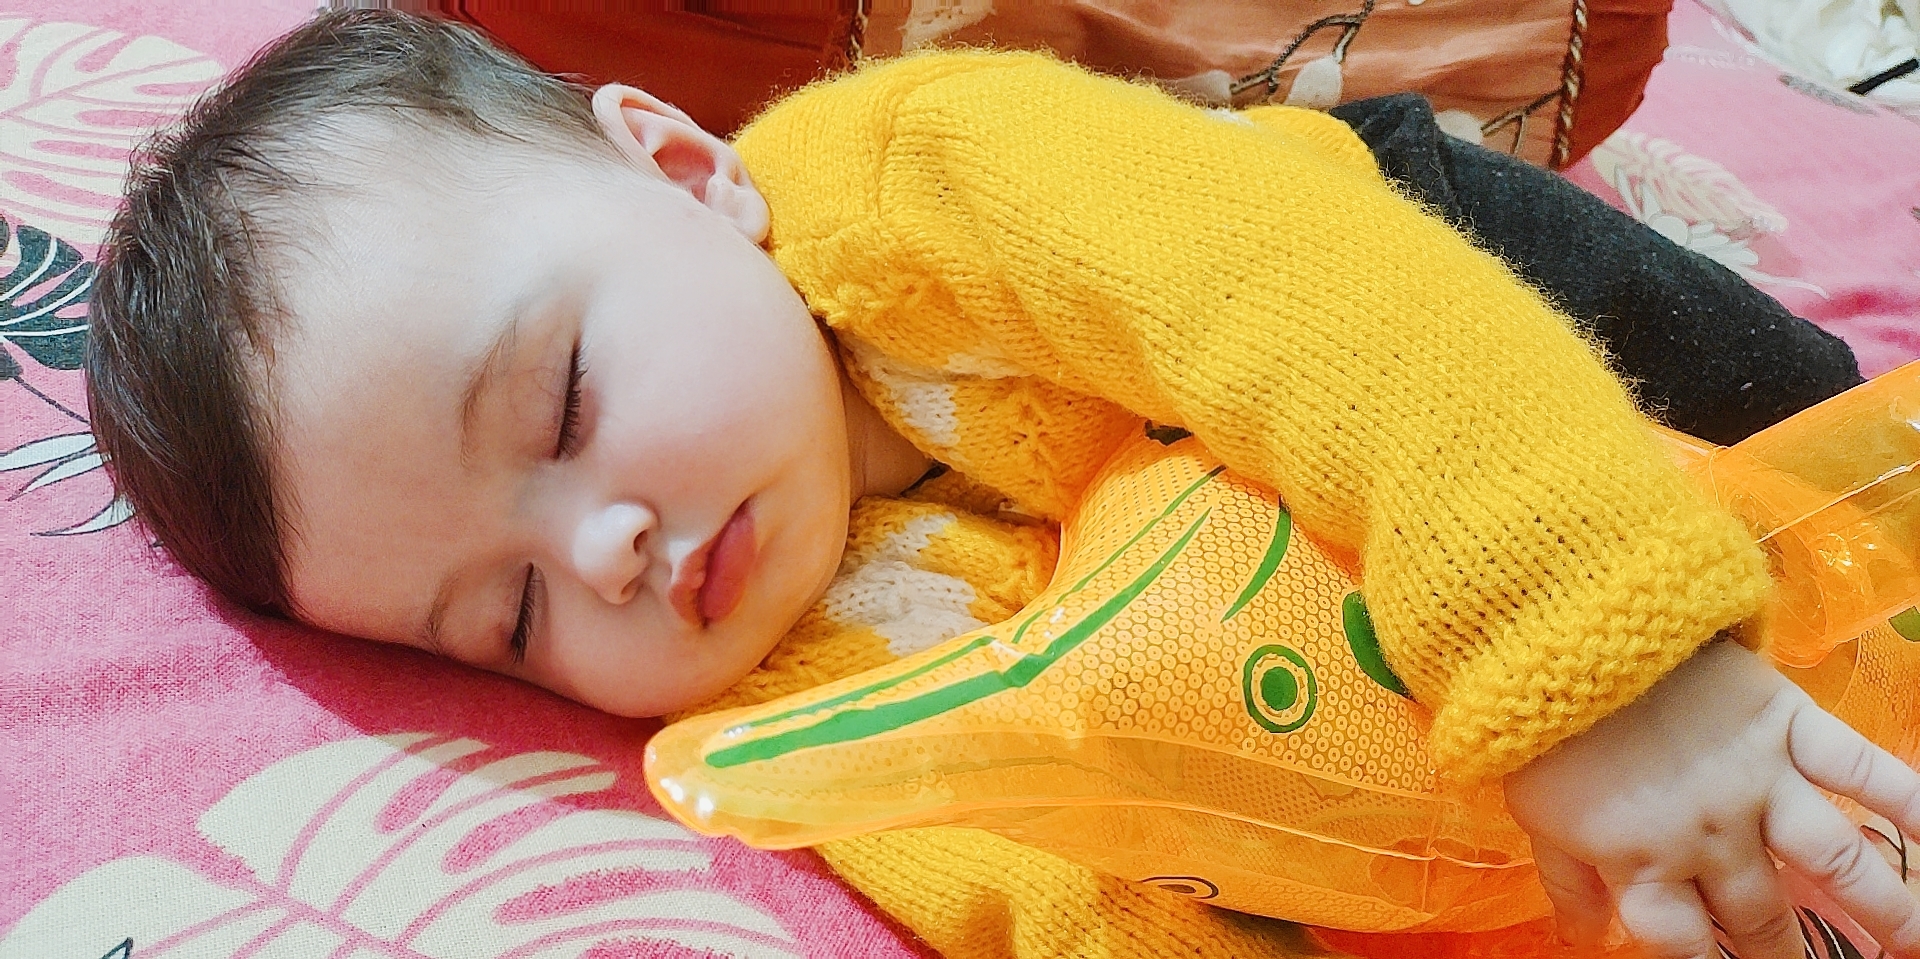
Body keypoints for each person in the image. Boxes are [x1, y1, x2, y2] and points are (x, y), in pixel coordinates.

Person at [83, 11, 1918, 959]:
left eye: (562, 403)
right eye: (510, 612)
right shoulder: (780, 714)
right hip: (1251, 621)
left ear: (683, 169)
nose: (608, 550)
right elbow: (1059, 902)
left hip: (1434, 331)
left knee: (1793, 464)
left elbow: (1296, 304)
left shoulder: (923, 174)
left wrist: (1605, 669)